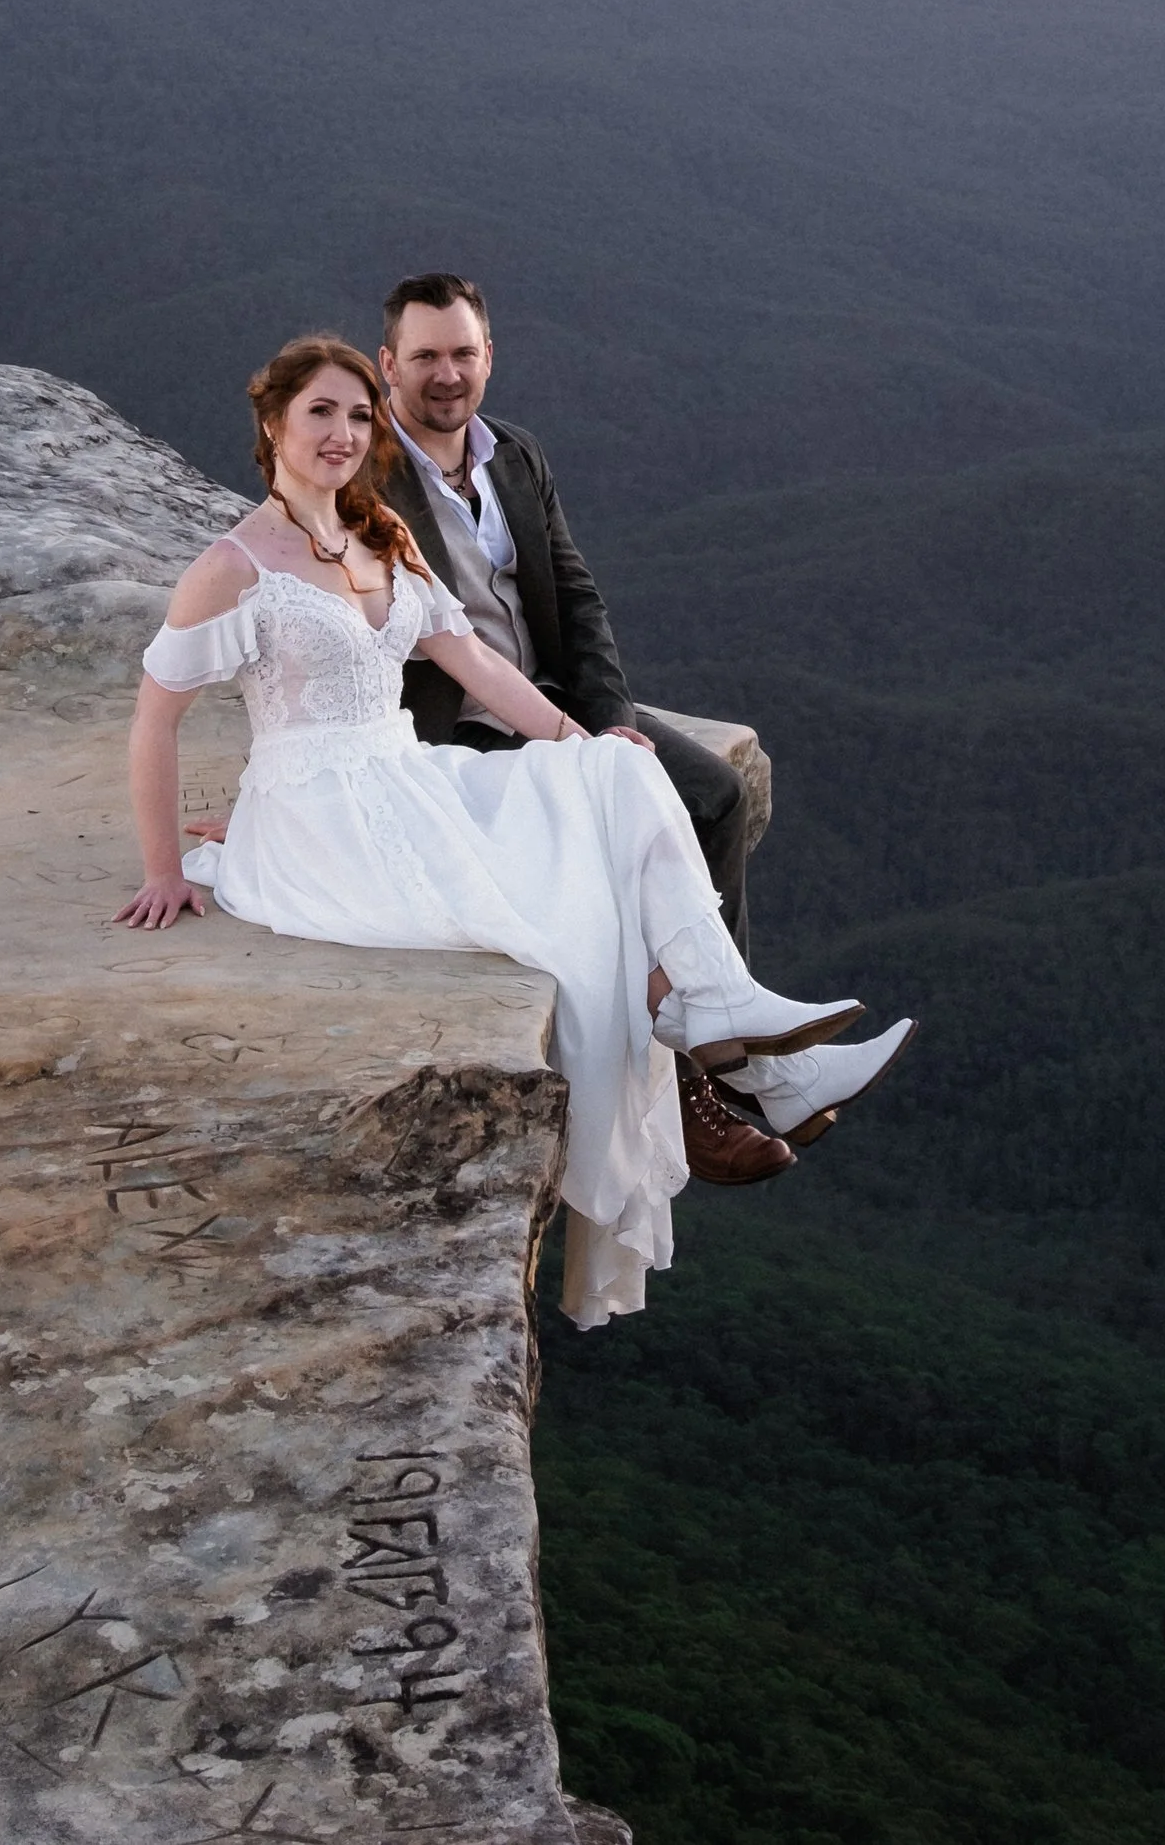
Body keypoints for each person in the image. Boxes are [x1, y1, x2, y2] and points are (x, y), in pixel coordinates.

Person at [118, 334, 909, 1328]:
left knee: (620, 773)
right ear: (273, 422)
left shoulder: (379, 536)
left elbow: (481, 668)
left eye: (359, 415)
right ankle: (756, 1059)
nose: (343, 433)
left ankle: (735, 1022)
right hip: (319, 818)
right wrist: (163, 869)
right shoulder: (233, 567)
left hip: (408, 774)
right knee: (559, 912)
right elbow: (155, 718)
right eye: (320, 411)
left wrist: (585, 752)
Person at [375, 271, 911, 1168]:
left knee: (715, 796)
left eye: (463, 353)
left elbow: (577, 596)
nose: (447, 374)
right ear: (388, 364)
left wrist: (612, 719)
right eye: (425, 356)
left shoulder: (515, 454)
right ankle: (714, 1092)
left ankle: (738, 1053)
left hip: (557, 704)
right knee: (608, 850)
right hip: (460, 733)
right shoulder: (365, 472)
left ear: (490, 356)